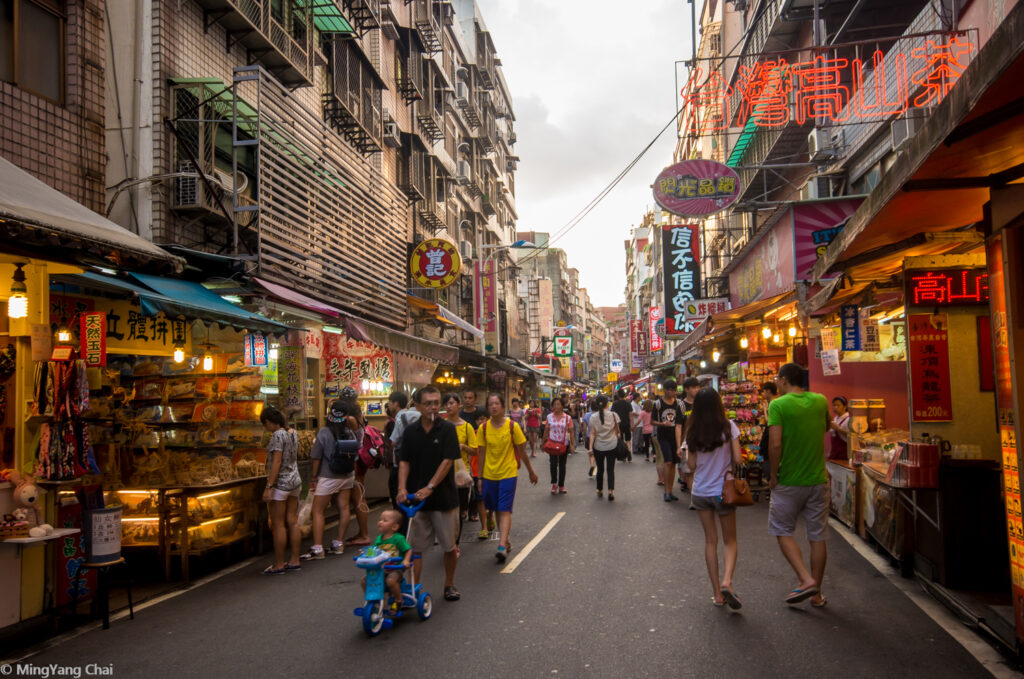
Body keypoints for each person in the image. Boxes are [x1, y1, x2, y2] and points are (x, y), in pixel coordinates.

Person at [768, 363, 830, 608]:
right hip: (817, 479)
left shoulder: (778, 405)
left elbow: (775, 444)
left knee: (782, 530)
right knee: (817, 536)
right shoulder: (821, 401)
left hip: (789, 480)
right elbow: (825, 427)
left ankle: (805, 579)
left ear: (783, 380)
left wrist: (774, 474)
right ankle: (817, 594)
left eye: (777, 379)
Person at [397, 385, 462, 602]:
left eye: (436, 402)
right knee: (415, 548)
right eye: (428, 403)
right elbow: (404, 462)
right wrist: (402, 488)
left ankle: (449, 584)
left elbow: (447, 461)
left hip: (444, 498)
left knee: (449, 546)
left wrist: (430, 487)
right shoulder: (410, 432)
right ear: (417, 406)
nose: (433, 407)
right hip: (416, 500)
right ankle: (413, 587)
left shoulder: (447, 429)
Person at [684, 387, 744, 609]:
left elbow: (690, 465)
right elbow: (737, 458)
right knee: (730, 540)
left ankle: (717, 594)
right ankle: (727, 580)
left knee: (710, 541)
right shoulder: (729, 427)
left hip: (700, 492)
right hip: (723, 491)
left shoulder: (692, 430)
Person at [478, 393, 538, 562]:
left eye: (497, 403)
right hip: (490, 475)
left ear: (503, 407)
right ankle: (506, 539)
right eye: (491, 404)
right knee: (497, 508)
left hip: (508, 474)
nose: (494, 407)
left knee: (504, 508)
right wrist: (480, 478)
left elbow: (522, 452)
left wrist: (531, 471)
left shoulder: (513, 427)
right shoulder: (483, 428)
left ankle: (502, 545)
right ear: (488, 408)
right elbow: (481, 454)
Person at [301, 400, 356, 560]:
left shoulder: (324, 432)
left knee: (318, 511)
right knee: (344, 508)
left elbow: (316, 457)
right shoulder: (349, 432)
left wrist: (313, 478)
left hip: (328, 476)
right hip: (347, 476)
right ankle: (338, 544)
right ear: (346, 416)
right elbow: (354, 456)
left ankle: (318, 548)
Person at [260, 406, 302, 574]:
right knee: (292, 521)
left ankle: (279, 564)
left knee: (278, 525)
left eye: (265, 424)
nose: (266, 428)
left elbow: (276, 461)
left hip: (281, 483)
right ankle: (295, 560)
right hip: (295, 481)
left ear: (269, 422)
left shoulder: (278, 435)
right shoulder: (293, 432)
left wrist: (269, 486)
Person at [442, 392, 478, 545]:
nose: (449, 406)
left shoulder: (467, 426)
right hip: (442, 473)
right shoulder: (440, 425)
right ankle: (447, 538)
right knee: (444, 509)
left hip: (460, 473)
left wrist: (463, 447)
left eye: (451, 403)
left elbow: (475, 450)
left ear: (459, 405)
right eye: (447, 404)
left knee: (459, 511)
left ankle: (455, 542)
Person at [337, 386, 371, 547]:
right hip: (358, 460)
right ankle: (362, 532)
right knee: (358, 497)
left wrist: (333, 408)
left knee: (358, 498)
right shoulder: (358, 414)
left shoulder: (349, 419)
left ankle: (364, 534)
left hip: (354, 461)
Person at [363, 509, 413, 614]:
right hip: (381, 568)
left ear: (394, 526)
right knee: (365, 581)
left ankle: (398, 600)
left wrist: (406, 560)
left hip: (396, 569)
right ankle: (373, 600)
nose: (380, 522)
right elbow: (374, 552)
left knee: (390, 581)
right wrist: (366, 553)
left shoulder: (398, 539)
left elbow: (408, 550)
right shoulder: (378, 539)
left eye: (385, 520)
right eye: (380, 519)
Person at [652, 379, 684, 502]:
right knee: (668, 461)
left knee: (674, 464)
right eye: (670, 390)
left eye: (674, 390)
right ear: (664, 390)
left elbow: (681, 422)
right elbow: (652, 421)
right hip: (663, 436)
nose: (672, 392)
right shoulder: (658, 404)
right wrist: (662, 423)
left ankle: (670, 491)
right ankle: (666, 491)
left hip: (676, 437)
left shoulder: (679, 404)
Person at [588, 395, 621, 501]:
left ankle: (599, 489)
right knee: (610, 469)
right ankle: (611, 491)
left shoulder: (593, 417)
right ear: (607, 403)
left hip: (598, 446)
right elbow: (618, 432)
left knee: (600, 469)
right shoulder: (613, 415)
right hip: (612, 445)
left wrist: (590, 447)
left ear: (597, 404)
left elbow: (592, 434)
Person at [542, 396, 574, 494]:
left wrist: (572, 444)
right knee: (553, 464)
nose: (556, 406)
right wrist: (543, 442)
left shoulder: (568, 418)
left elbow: (571, 431)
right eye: (555, 404)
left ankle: (561, 485)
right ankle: (554, 484)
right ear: (553, 406)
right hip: (552, 443)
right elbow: (546, 430)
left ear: (562, 406)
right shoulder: (549, 417)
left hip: (563, 444)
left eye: (558, 404)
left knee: (562, 465)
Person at [678, 377, 701, 491]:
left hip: (702, 441)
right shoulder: (681, 406)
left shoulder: (701, 404)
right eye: (694, 387)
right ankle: (694, 499)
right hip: (687, 443)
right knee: (690, 471)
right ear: (686, 389)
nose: (696, 389)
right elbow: (678, 427)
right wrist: (679, 445)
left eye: (698, 387)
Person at [758, 382, 779, 485]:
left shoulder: (773, 403)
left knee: (767, 457)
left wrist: (765, 409)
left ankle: (771, 478)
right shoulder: (777, 402)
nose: (763, 394)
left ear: (768, 391)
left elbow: (768, 421)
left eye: (764, 391)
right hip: (772, 434)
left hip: (771, 435)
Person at [610, 389, 633, 462]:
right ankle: (629, 451)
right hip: (627, 423)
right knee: (628, 439)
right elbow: (630, 415)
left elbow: (613, 414)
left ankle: (624, 456)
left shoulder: (615, 404)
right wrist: (632, 425)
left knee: (621, 439)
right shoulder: (628, 403)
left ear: (618, 395)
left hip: (618, 424)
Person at [828, 396, 851, 461]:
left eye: (838, 405)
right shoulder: (836, 418)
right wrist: (830, 451)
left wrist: (838, 429)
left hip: (844, 452)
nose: (835, 407)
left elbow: (852, 436)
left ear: (845, 407)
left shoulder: (848, 419)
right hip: (835, 452)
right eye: (834, 405)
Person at [630, 393, 644, 461]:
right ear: (636, 397)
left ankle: (639, 448)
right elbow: (633, 413)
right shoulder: (632, 404)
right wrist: (641, 415)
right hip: (636, 423)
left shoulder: (638, 404)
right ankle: (635, 449)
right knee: (636, 437)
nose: (640, 398)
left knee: (640, 437)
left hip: (641, 423)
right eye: (639, 397)